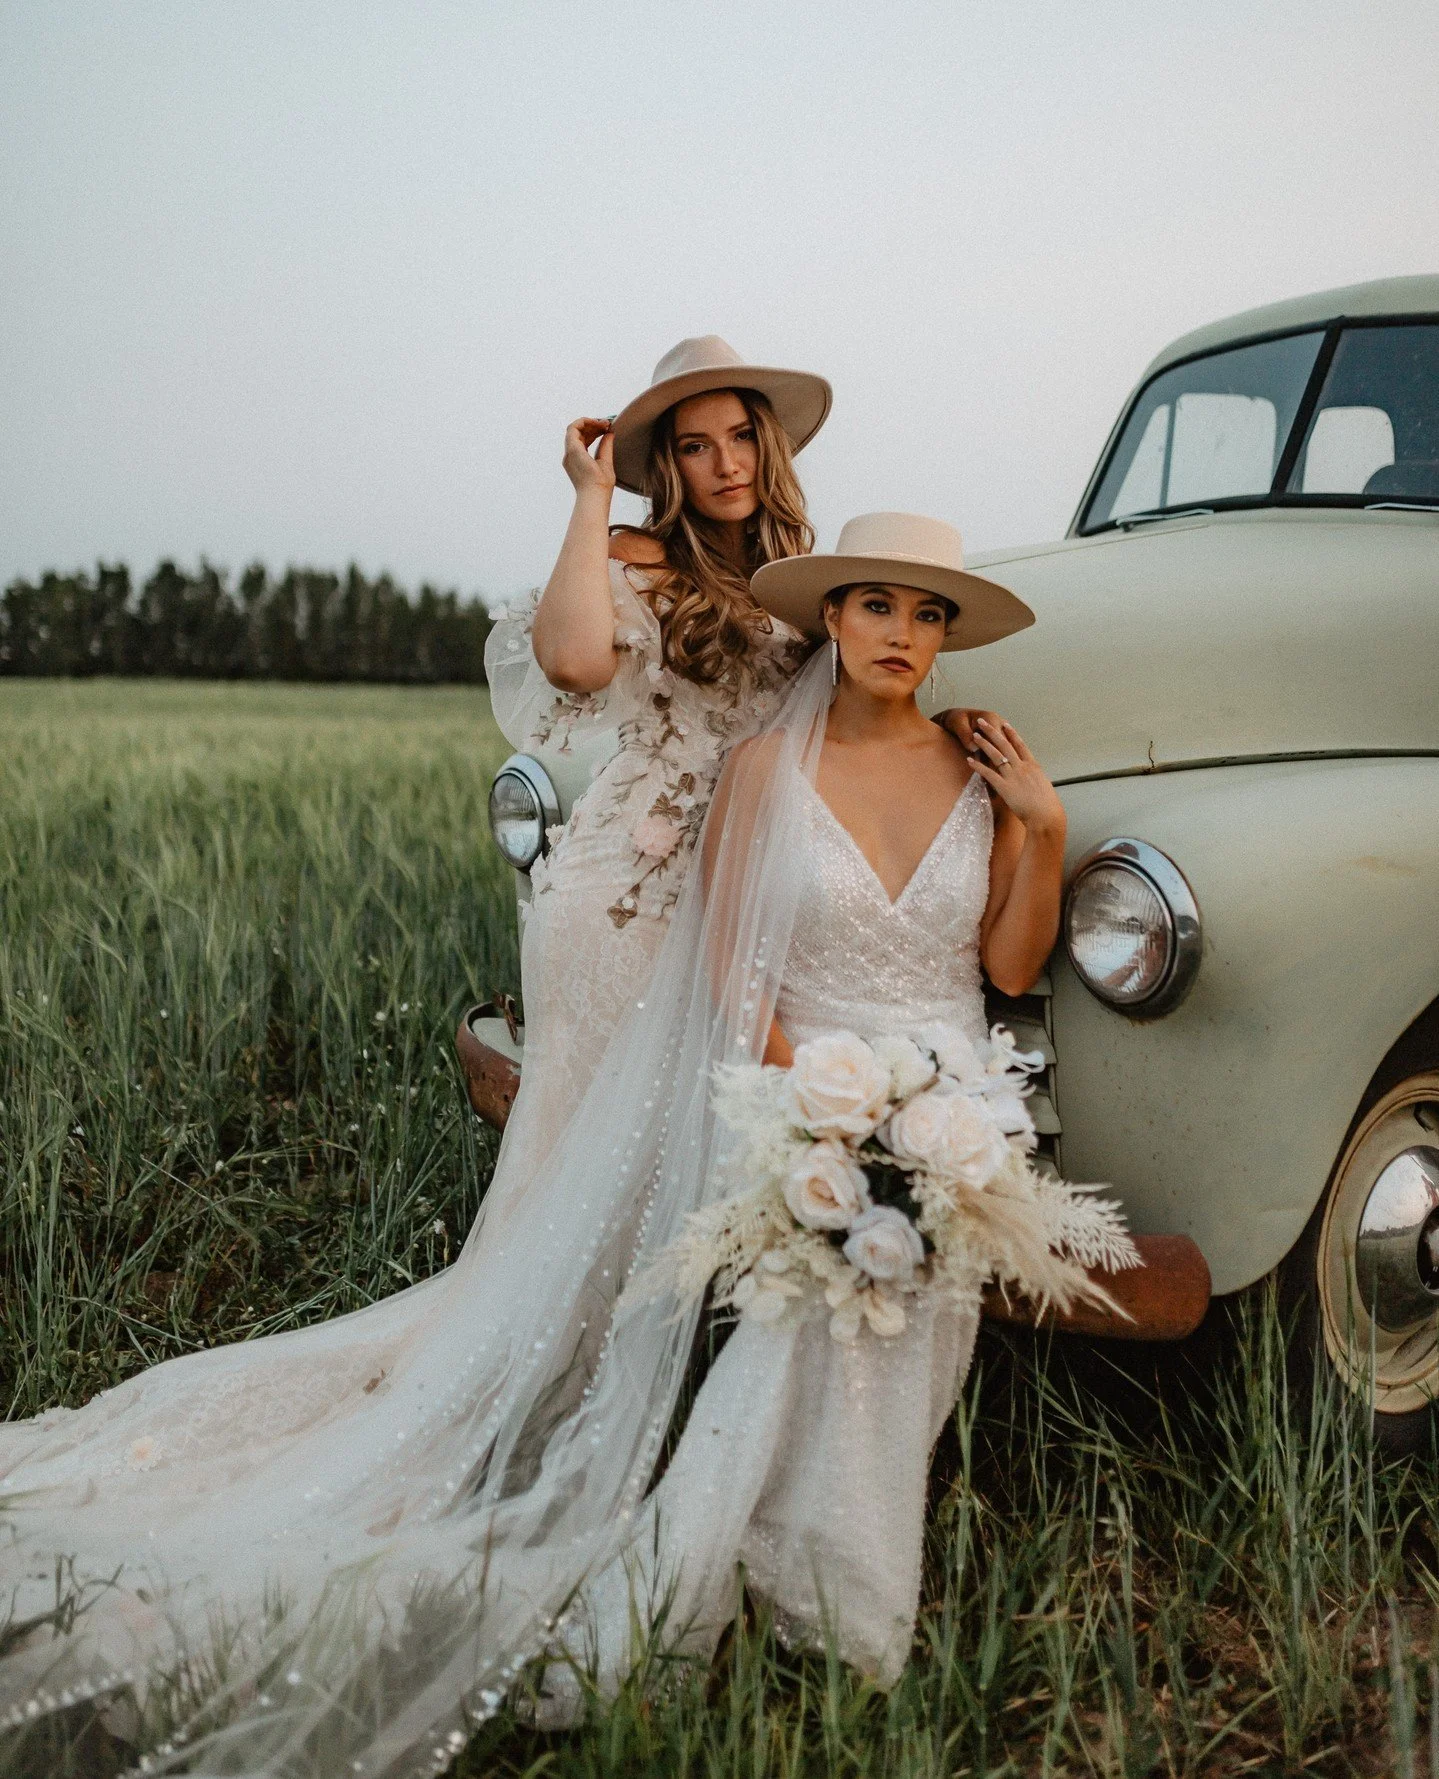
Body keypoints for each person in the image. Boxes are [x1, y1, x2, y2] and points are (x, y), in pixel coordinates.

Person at [0, 513, 1132, 1777]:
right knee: (821, 1286)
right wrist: (831, 1116)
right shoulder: (765, 768)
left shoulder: (973, 769)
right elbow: (731, 976)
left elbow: (1008, 965)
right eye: (877, 607)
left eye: (928, 616)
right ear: (831, 618)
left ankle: (835, 1590)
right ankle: (746, 1574)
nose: (903, 637)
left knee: (908, 1286)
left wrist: (1035, 825)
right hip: (806, 1088)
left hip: (948, 1089)